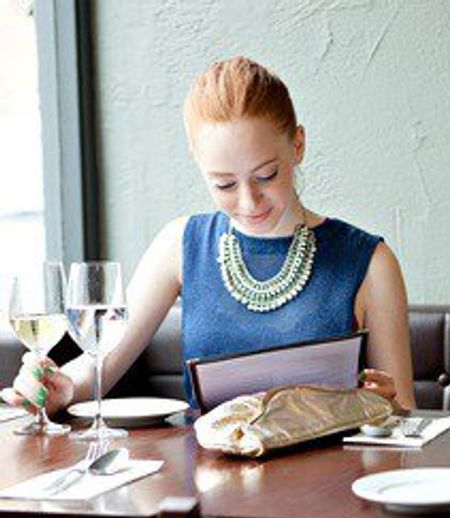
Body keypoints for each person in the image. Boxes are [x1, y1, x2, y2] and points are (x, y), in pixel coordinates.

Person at [2, 56, 415, 415]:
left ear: (298, 145)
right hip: (203, 478)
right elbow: (101, 361)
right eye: (224, 184)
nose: (249, 201)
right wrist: (62, 389)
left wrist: (386, 408)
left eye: (266, 175)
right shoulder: (179, 244)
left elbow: (407, 414)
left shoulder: (371, 262)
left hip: (327, 480)